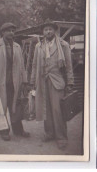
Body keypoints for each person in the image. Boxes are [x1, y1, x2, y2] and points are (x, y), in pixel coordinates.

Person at [30, 19, 74, 149]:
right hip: (42, 80)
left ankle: (61, 137)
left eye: (50, 29)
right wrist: (32, 81)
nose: (48, 31)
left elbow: (69, 66)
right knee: (45, 109)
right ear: (43, 32)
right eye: (45, 29)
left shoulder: (63, 45)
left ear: (54, 31)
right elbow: (34, 65)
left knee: (57, 110)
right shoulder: (39, 46)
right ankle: (49, 133)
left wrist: (70, 82)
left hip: (57, 81)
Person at [0, 22, 30, 141]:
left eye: (13, 31)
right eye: (9, 31)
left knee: (16, 106)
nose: (11, 33)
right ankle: (4, 131)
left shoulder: (17, 46)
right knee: (1, 108)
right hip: (0, 83)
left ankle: (18, 130)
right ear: (3, 32)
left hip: (15, 83)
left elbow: (21, 66)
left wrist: (24, 81)